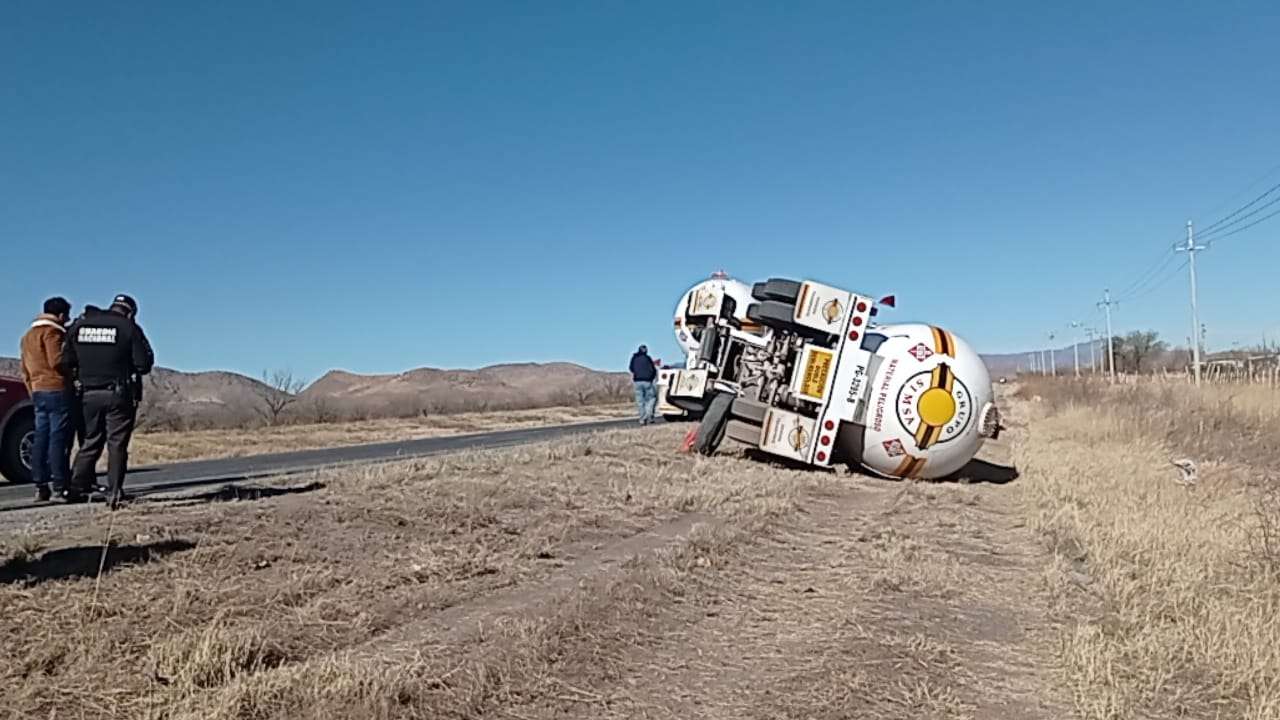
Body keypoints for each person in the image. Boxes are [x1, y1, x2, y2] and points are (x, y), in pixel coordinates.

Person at [64, 294, 154, 505]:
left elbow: (67, 359)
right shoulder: (127, 327)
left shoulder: (80, 325)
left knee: (90, 442)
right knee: (117, 444)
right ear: (130, 312)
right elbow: (143, 364)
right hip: (117, 394)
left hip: (87, 393)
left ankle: (76, 487)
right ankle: (114, 492)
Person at [19, 297, 74, 502]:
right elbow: (56, 360)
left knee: (40, 437)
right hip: (56, 388)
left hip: (38, 390)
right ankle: (60, 485)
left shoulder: (27, 336)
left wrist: (32, 390)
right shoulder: (52, 332)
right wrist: (71, 372)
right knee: (58, 438)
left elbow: (24, 369)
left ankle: (40, 484)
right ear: (60, 315)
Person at [629, 344, 658, 425]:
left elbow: (631, 368)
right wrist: (651, 378)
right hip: (647, 382)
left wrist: (637, 373)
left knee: (640, 401)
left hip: (637, 382)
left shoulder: (634, 358)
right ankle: (649, 415)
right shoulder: (648, 358)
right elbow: (653, 370)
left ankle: (642, 418)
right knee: (651, 398)